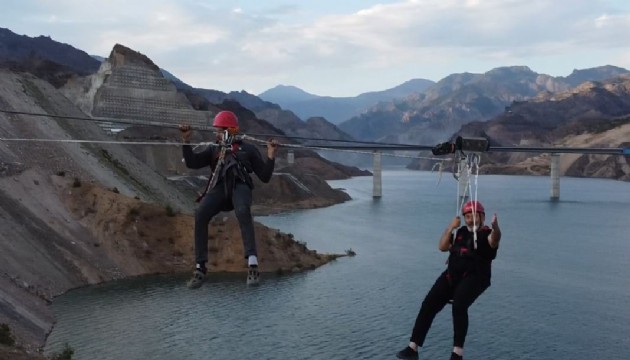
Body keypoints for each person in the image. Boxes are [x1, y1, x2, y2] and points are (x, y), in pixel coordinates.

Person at [179, 110, 278, 288]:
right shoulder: (213, 149)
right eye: (216, 130)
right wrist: (186, 141)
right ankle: (200, 267)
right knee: (200, 213)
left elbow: (264, 176)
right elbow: (192, 162)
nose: (216, 134)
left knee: (242, 211)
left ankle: (252, 264)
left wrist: (270, 155)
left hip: (240, 186)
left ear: (230, 130)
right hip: (220, 188)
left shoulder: (248, 149)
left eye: (219, 130)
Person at [396, 200, 501, 360]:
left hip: (475, 277)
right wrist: (451, 228)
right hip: (452, 275)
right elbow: (442, 247)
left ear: (482, 216)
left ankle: (457, 354)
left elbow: (494, 240)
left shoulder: (486, 234)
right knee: (428, 304)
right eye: (467, 217)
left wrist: (496, 228)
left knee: (459, 305)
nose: (470, 220)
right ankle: (413, 348)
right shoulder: (461, 233)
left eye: (473, 216)